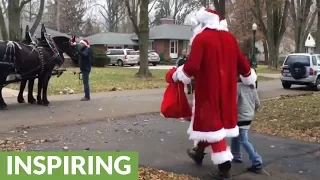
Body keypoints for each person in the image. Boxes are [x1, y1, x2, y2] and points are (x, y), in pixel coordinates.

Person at [171, 7, 257, 179]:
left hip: (207, 91)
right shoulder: (230, 38)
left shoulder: (201, 38)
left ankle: (224, 167)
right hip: (227, 91)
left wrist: (177, 74)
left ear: (203, 22)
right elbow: (242, 63)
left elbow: (193, 66)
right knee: (213, 124)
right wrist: (248, 76)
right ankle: (198, 151)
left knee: (212, 125)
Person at [231, 76, 263, 173]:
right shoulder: (252, 87)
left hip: (240, 117)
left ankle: (257, 161)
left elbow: (233, 103)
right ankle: (236, 155)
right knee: (235, 135)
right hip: (249, 116)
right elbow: (257, 104)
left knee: (243, 139)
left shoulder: (237, 87)